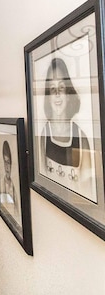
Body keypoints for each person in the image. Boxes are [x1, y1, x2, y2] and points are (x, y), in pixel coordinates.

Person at [40, 57, 95, 197]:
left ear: (69, 94)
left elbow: (87, 190)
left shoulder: (81, 138)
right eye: (52, 89)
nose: (57, 94)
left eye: (61, 87)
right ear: (48, 96)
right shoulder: (43, 136)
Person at [0, 140, 20, 220]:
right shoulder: (1, 184)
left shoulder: (14, 186)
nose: (7, 167)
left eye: (9, 163)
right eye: (5, 162)